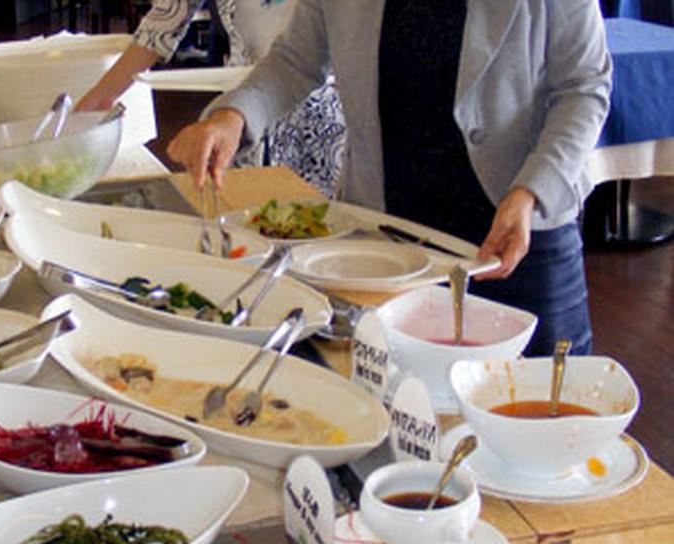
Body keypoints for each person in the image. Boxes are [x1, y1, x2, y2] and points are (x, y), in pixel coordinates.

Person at [167, 0, 612, 356]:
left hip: (519, 237)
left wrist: (530, 192)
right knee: (409, 408)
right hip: (392, 241)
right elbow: (295, 60)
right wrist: (232, 117)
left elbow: (584, 87)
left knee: (550, 412)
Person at [75, 0, 346, 196]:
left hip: (324, 122)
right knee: (254, 230)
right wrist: (97, 101)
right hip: (242, 118)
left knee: (327, 239)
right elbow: (163, 21)